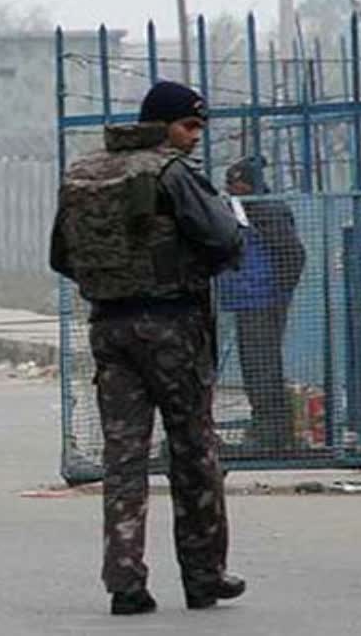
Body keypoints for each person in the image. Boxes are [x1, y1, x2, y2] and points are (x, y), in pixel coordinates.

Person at [50, 80, 246, 615]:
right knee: (194, 451)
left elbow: (62, 256)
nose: (193, 138)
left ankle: (126, 582)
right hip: (171, 328)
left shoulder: (84, 173)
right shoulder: (172, 173)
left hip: (109, 328)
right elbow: (224, 238)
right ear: (162, 125)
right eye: (189, 126)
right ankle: (205, 575)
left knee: (124, 456)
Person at [218, 156, 306, 451]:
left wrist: (278, 292)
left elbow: (293, 254)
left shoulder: (265, 211)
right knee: (258, 364)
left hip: (262, 300)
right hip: (251, 299)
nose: (229, 188)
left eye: (235, 182)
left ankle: (271, 431)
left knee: (261, 365)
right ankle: (270, 427)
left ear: (248, 184)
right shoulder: (248, 209)